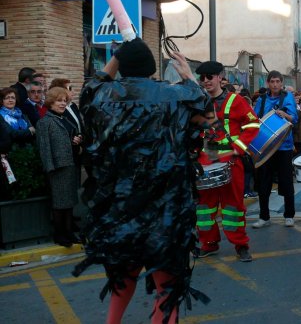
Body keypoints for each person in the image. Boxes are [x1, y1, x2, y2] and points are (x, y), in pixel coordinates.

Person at [72, 38, 213, 324]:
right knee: (167, 286)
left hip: (121, 208)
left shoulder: (100, 95)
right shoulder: (177, 95)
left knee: (122, 279)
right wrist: (187, 73)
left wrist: (118, 56)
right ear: (151, 67)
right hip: (166, 208)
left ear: (122, 65)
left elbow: (94, 85)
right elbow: (206, 113)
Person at [193, 61, 260, 262]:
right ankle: (209, 244)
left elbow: (253, 124)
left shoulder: (235, 100)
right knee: (204, 208)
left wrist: (237, 148)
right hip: (205, 162)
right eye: (202, 77)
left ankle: (241, 245)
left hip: (231, 161)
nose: (205, 81)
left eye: (210, 76)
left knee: (233, 206)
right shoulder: (197, 102)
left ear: (220, 77)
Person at [36, 87, 82, 247]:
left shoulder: (64, 119)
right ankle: (60, 235)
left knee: (69, 202)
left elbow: (69, 137)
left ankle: (69, 233)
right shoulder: (45, 122)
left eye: (64, 101)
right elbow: (44, 147)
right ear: (50, 102)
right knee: (59, 204)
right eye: (59, 101)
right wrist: (50, 168)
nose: (63, 103)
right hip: (56, 168)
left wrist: (76, 140)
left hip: (69, 164)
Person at [252, 70, 298, 228]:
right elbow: (255, 119)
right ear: (268, 83)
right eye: (272, 82)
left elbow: (295, 119)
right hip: (265, 147)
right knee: (263, 183)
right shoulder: (262, 99)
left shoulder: (288, 97)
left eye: (278, 81)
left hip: (284, 146)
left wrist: (284, 115)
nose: (275, 84)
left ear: (282, 83)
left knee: (286, 182)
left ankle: (289, 215)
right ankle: (264, 217)